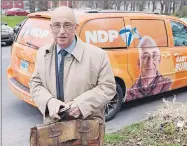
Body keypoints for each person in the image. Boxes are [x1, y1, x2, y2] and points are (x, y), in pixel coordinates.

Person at [29, 6, 116, 135]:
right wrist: (48, 101)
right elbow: (35, 84)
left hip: (85, 131)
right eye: (57, 25)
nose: (62, 31)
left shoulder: (97, 55)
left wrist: (81, 104)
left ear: (76, 27)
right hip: (53, 131)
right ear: (51, 27)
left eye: (67, 25)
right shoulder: (43, 53)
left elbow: (108, 87)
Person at [127, 36, 172, 101]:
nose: (150, 63)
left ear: (159, 60)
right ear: (139, 63)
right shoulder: (130, 93)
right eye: (145, 57)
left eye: (154, 56)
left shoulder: (166, 84)